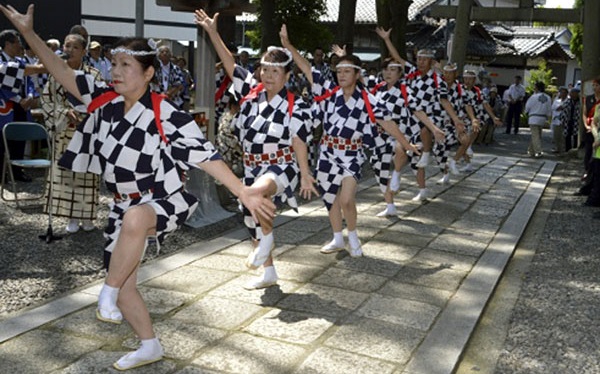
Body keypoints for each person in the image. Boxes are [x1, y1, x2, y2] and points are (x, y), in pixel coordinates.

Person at [0, 4, 276, 371]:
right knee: (127, 285)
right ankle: (149, 344)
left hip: (161, 200)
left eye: (124, 66)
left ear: (148, 73)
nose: (114, 71)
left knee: (130, 231)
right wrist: (30, 35)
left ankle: (106, 292)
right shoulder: (103, 102)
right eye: (113, 65)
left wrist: (242, 190)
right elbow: (61, 69)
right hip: (120, 205)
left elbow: (205, 155)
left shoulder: (166, 113)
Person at [195, 10, 318, 289]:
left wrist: (306, 173)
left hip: (281, 167)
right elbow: (230, 65)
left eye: (276, 71)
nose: (269, 76)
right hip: (251, 166)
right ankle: (269, 271)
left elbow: (299, 140)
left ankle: (267, 240)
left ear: (287, 75)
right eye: (265, 70)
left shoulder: (296, 105)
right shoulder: (250, 94)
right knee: (252, 216)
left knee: (256, 193)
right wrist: (213, 32)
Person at [282, 26, 417, 257]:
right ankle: (337, 238)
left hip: (352, 153)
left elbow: (388, 124)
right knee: (330, 198)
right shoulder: (327, 93)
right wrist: (288, 45)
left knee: (346, 199)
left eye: (347, 71)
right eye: (339, 71)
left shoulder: (368, 99)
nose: (341, 75)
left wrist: (406, 144)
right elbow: (306, 68)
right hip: (327, 151)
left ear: (357, 75)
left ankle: (352, 236)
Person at [41, 33, 102, 233]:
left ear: (84, 51)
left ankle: (87, 217)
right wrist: (64, 111)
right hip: (65, 130)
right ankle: (72, 217)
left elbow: (102, 102)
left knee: (86, 174)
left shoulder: (93, 74)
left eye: (75, 47)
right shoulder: (54, 73)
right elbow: (47, 101)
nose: (69, 50)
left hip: (86, 131)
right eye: (67, 46)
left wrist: (86, 114)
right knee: (67, 175)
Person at [0, 28, 39, 183]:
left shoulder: (21, 62)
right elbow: (3, 86)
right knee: (3, 141)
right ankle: (2, 175)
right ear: (8, 44)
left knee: (19, 139)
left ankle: (17, 172)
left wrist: (29, 96)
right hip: (6, 106)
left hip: (22, 106)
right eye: (17, 42)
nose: (20, 46)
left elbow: (29, 81)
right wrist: (18, 99)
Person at [524, 81, 552, 158]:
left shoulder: (533, 97)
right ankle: (531, 150)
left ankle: (538, 151)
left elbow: (527, 107)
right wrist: (549, 116)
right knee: (537, 135)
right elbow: (549, 109)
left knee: (535, 135)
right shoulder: (548, 97)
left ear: (536, 88)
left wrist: (526, 112)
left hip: (533, 117)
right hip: (542, 118)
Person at [561, 86, 581, 154]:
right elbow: (563, 110)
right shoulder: (568, 101)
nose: (571, 94)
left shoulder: (580, 102)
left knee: (576, 136)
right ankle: (567, 150)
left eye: (573, 93)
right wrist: (562, 120)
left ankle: (575, 150)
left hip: (577, 121)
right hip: (568, 121)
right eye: (571, 93)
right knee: (567, 136)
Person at [550, 86, 568, 154]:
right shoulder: (557, 100)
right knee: (556, 135)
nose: (562, 94)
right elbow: (553, 108)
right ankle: (557, 148)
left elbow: (564, 108)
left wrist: (561, 107)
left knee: (562, 136)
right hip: (556, 120)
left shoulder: (568, 101)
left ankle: (562, 149)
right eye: (561, 92)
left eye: (564, 93)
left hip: (563, 121)